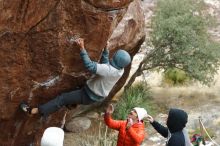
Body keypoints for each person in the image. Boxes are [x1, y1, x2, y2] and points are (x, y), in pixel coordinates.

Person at [20, 38, 131, 117]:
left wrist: (82, 48)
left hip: (88, 95)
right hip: (93, 93)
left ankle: (32, 111)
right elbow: (105, 66)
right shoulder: (120, 70)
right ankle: (72, 103)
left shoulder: (109, 70)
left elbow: (90, 66)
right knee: (76, 87)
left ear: (116, 59)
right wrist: (106, 50)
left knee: (62, 99)